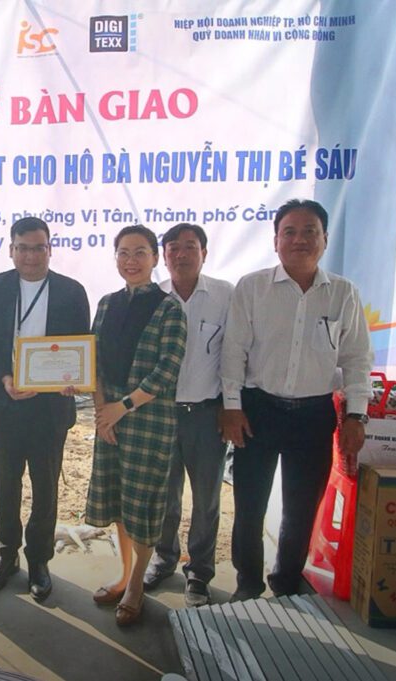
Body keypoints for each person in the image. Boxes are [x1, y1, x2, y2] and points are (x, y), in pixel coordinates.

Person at [220, 198, 372, 601]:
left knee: (301, 510)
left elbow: (357, 358)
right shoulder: (252, 287)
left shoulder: (343, 293)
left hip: (314, 415)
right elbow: (233, 350)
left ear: (324, 240)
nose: (299, 239)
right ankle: (248, 582)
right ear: (276, 241)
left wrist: (357, 414)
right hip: (258, 410)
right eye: (290, 231)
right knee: (249, 507)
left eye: (310, 232)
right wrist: (232, 406)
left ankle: (286, 582)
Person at [0, 216, 89, 601]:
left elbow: (80, 346)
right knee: (5, 485)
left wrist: (74, 375)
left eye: (38, 247)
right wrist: (5, 376)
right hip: (7, 403)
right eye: (22, 247)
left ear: (49, 249)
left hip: (51, 408)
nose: (30, 255)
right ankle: (5, 556)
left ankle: (39, 560)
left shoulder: (72, 291)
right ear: (11, 249)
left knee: (45, 488)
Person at [85, 224, 187, 627]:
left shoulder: (170, 307)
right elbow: (92, 358)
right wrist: (100, 411)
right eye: (123, 253)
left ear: (155, 258)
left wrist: (120, 408)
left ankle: (137, 586)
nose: (131, 261)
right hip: (109, 417)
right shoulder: (107, 304)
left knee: (143, 503)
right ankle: (124, 573)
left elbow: (167, 370)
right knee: (119, 501)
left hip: (148, 419)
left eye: (140, 252)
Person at [142, 223, 234, 608]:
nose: (181, 254)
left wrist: (232, 408)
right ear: (164, 256)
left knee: (207, 499)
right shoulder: (151, 297)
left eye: (190, 247)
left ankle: (199, 572)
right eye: (173, 248)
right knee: (164, 495)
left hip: (206, 415)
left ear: (204, 253)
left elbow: (235, 357)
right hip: (160, 413)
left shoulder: (225, 296)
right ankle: (164, 557)